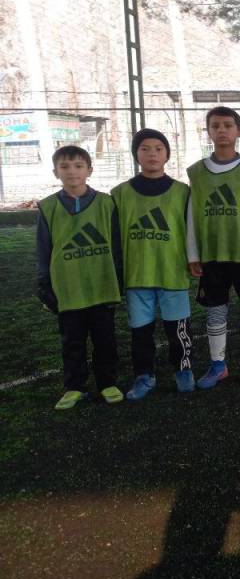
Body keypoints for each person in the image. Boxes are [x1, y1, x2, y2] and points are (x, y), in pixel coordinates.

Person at [186, 106, 240, 387]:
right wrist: (193, 253)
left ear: (239, 131)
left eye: (227, 125)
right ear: (208, 131)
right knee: (215, 310)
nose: (221, 130)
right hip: (211, 255)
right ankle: (218, 365)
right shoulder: (197, 172)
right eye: (215, 126)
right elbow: (191, 216)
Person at [37, 146, 124, 410]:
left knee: (105, 339)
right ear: (55, 172)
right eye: (64, 166)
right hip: (68, 288)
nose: (71, 171)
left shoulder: (107, 203)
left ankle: (107, 382)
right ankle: (74, 387)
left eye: (78, 166)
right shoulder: (48, 207)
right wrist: (44, 285)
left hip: (101, 285)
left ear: (89, 170)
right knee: (71, 341)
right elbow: (43, 249)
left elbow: (117, 245)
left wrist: (119, 279)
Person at [112, 128, 196, 400]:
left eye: (158, 149)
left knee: (178, 330)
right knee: (141, 333)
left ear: (167, 154)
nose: (152, 154)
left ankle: (183, 370)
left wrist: (194, 260)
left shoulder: (183, 192)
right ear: (135, 154)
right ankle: (144, 376)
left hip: (173, 272)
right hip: (137, 276)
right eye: (145, 148)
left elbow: (192, 232)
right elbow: (114, 238)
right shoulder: (120, 193)